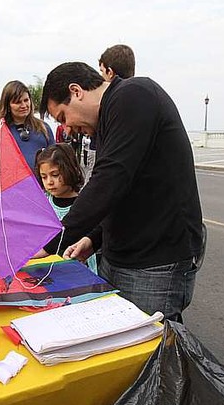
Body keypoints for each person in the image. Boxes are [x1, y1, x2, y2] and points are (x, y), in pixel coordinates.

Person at [40, 62, 205, 323]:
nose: (67, 128)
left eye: (63, 117)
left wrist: (50, 241)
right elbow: (119, 192)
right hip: (119, 257)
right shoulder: (105, 122)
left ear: (76, 91)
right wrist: (93, 240)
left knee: (150, 354)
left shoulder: (134, 95)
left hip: (155, 263)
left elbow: (111, 179)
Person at [35, 144, 97, 273]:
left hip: (78, 268)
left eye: (55, 175)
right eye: (44, 177)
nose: (49, 182)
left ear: (70, 170)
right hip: (46, 269)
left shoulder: (84, 205)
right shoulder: (43, 202)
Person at [0, 80, 54, 172]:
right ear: (7, 105)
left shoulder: (44, 128)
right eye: (17, 102)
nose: (24, 105)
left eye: (26, 100)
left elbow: (55, 159)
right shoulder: (1, 132)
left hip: (42, 185)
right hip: (14, 185)